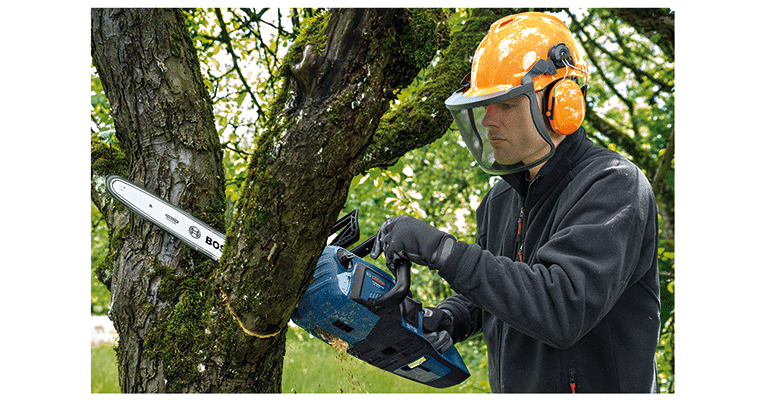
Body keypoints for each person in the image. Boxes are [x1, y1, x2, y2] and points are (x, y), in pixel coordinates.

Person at [370, 12, 660, 393]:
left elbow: (560, 306)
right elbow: (498, 285)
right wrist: (450, 317)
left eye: (505, 104)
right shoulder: (501, 198)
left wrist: (443, 251)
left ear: (561, 102)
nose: (488, 119)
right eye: (484, 104)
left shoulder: (614, 186)